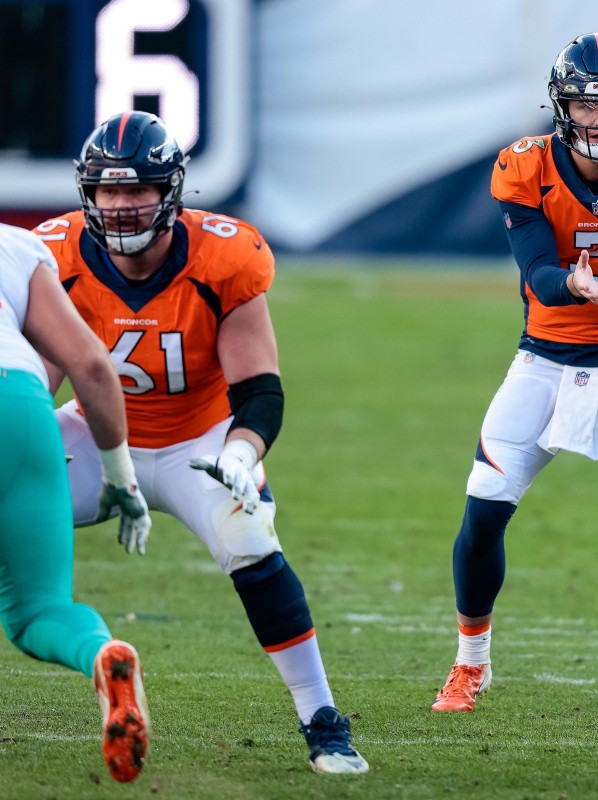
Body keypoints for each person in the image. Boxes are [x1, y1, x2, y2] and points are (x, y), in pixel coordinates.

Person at [32, 111, 367, 774]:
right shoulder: (57, 254)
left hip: (200, 439)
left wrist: (241, 454)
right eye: (108, 191)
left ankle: (322, 718)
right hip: (100, 434)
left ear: (173, 191)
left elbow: (260, 391)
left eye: (137, 191)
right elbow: (32, 389)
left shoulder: (224, 255)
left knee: (251, 544)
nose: (122, 207)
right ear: (87, 193)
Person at [431, 32, 598, 722]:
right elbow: (536, 273)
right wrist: (569, 281)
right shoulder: (524, 167)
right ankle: (471, 662)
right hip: (546, 359)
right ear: (563, 105)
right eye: (588, 103)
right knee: (483, 513)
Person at [0, 222, 151, 782]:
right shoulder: (14, 244)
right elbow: (91, 365)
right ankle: (100, 653)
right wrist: (119, 475)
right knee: (39, 608)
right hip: (20, 403)